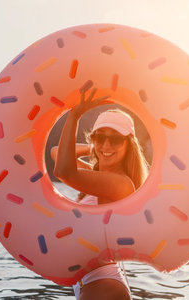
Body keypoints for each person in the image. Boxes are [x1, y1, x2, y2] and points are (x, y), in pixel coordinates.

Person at [51, 87, 150, 299]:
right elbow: (56, 154)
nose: (106, 144)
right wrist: (95, 148)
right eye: (99, 136)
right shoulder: (97, 177)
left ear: (128, 144)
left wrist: (75, 115)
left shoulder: (121, 185)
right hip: (89, 282)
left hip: (104, 283)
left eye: (115, 139)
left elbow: (63, 170)